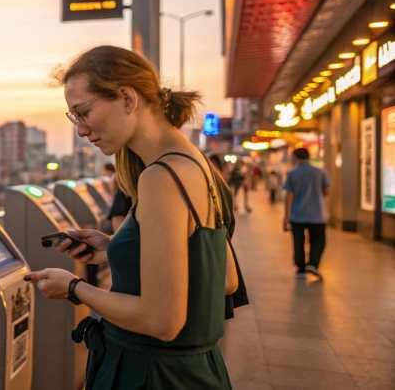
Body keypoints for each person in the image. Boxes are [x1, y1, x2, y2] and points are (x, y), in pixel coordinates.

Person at [27, 45, 239, 389]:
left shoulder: (161, 177)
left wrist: (74, 287)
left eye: (83, 112)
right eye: (74, 118)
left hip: (152, 374)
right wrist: (117, 248)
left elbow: (162, 321)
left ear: (127, 99)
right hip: (196, 371)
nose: (81, 130)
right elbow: (225, 277)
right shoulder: (197, 164)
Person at [283, 148, 331, 279]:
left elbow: (289, 195)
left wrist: (286, 216)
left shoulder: (292, 173)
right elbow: (327, 191)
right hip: (317, 214)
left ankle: (301, 267)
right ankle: (313, 264)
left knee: (298, 241)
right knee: (319, 240)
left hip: (297, 213)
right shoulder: (320, 172)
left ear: (296, 157)